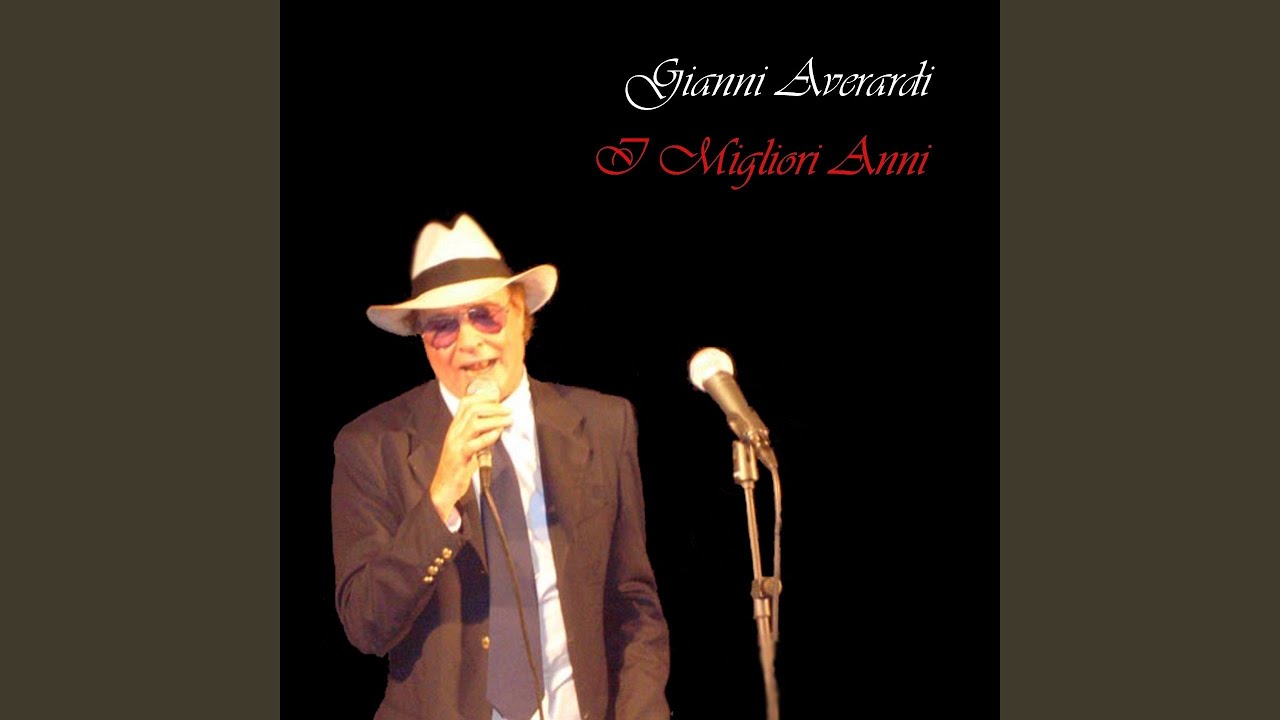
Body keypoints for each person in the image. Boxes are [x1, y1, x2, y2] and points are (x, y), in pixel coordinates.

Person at [331, 213, 671, 720]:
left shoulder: (603, 424)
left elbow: (634, 604)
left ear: (521, 317)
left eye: (484, 315)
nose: (469, 341)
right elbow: (366, 626)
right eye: (442, 325)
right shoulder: (372, 445)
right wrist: (440, 497)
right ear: (422, 339)